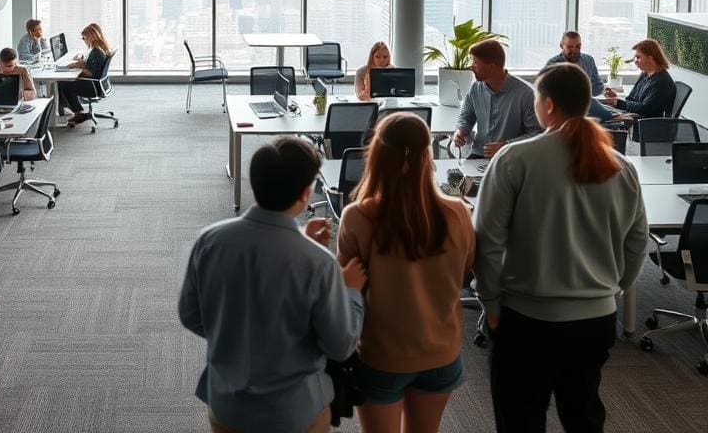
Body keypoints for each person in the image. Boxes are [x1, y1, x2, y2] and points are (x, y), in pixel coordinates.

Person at [474, 63, 649, 433]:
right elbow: (637, 242)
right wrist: (614, 288)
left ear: (548, 105)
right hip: (594, 320)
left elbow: (488, 243)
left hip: (526, 320)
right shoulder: (620, 165)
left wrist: (490, 304)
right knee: (584, 418)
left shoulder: (514, 159)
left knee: (521, 420)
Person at [179, 136, 367, 433]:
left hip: (227, 408)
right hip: (293, 414)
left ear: (254, 184)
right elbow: (340, 345)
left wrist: (236, 340)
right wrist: (351, 291)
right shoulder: (318, 263)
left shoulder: (209, 240)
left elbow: (190, 315)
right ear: (306, 194)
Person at [338, 113, 474, 433]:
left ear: (377, 156)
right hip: (441, 351)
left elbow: (347, 287)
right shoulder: (459, 212)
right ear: (429, 156)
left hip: (382, 354)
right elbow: (465, 271)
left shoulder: (357, 216)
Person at [452, 39, 541, 159]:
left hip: (510, 159)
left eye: (475, 62)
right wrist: (461, 131)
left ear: (492, 67)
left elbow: (536, 135)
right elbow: (467, 115)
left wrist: (507, 146)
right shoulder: (475, 87)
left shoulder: (526, 94)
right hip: (478, 156)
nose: (471, 67)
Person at [603, 38, 676, 119]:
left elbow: (645, 109)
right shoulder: (645, 74)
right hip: (635, 117)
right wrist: (616, 99)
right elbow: (631, 98)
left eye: (638, 57)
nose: (635, 61)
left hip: (645, 124)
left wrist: (618, 102)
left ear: (650, 59)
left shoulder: (662, 82)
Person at [59, 23, 111, 125]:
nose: (84, 40)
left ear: (91, 37)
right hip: (98, 84)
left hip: (93, 86)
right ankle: (75, 110)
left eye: (84, 38)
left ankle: (79, 113)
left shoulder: (96, 52)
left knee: (62, 84)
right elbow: (92, 66)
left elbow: (89, 72)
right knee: (66, 82)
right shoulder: (100, 48)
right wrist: (82, 63)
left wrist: (76, 66)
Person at [542, 31, 604, 96]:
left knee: (609, 106)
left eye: (578, 46)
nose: (574, 51)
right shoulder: (552, 64)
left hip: (587, 102)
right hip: (563, 104)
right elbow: (544, 91)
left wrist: (605, 91)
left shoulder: (589, 60)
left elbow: (597, 86)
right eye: (570, 47)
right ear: (561, 46)